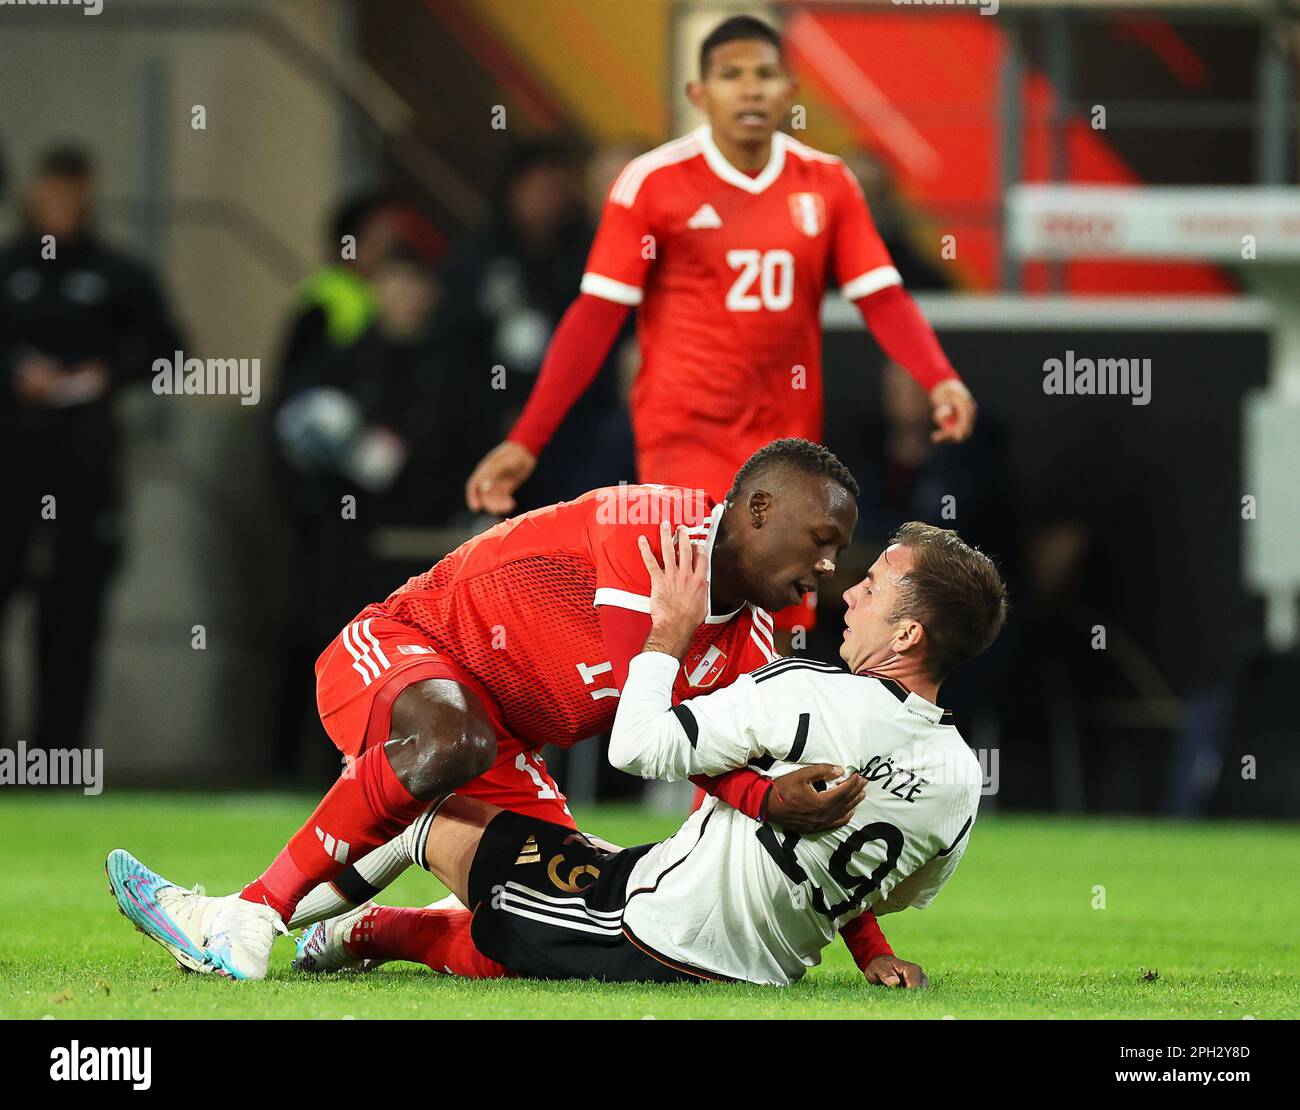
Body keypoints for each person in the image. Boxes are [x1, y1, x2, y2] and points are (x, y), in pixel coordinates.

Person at [106, 439, 911, 980]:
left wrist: (866, 942)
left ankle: (351, 927)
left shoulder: (753, 632)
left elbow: (732, 771)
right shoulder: (657, 531)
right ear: (758, 512)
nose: (830, 567)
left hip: (501, 741)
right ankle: (253, 911)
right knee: (452, 739)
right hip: (404, 652)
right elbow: (642, 735)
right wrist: (731, 741)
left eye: (840, 549)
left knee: (555, 929)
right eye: (820, 540)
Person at [292, 520, 1007, 987]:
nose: (847, 592)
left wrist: (666, 637)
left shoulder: (808, 695)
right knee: (526, 917)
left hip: (647, 928)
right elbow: (887, 885)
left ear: (907, 635)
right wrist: (873, 951)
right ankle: (355, 924)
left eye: (874, 586)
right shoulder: (960, 778)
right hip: (740, 955)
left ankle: (278, 913)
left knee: (436, 812)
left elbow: (637, 745)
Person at [464, 14, 976, 647]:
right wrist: (528, 438)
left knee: (782, 619)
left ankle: (775, 747)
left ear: (789, 90)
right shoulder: (653, 183)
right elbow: (595, 317)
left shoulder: (828, 184)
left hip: (786, 445)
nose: (750, 89)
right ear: (700, 95)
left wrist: (939, 377)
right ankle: (663, 742)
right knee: (691, 612)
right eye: (731, 75)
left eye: (763, 74)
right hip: (685, 437)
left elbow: (884, 297)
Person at [0, 144, 183, 749]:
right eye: (50, 194)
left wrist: (109, 372)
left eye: (72, 194)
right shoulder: (7, 270)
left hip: (84, 465)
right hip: (11, 466)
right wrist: (16, 374)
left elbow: (170, 348)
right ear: (31, 196)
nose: (61, 207)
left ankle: (59, 756)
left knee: (75, 610)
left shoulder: (117, 274)